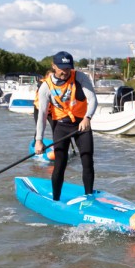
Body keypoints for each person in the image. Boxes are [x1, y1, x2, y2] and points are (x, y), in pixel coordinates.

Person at [34, 51, 97, 202]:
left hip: (82, 124)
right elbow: (42, 115)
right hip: (61, 126)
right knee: (60, 164)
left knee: (87, 160)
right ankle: (56, 200)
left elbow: (93, 99)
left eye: (68, 68)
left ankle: (89, 197)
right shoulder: (45, 87)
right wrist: (39, 140)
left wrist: (87, 117)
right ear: (54, 66)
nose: (65, 71)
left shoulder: (80, 77)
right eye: (62, 68)